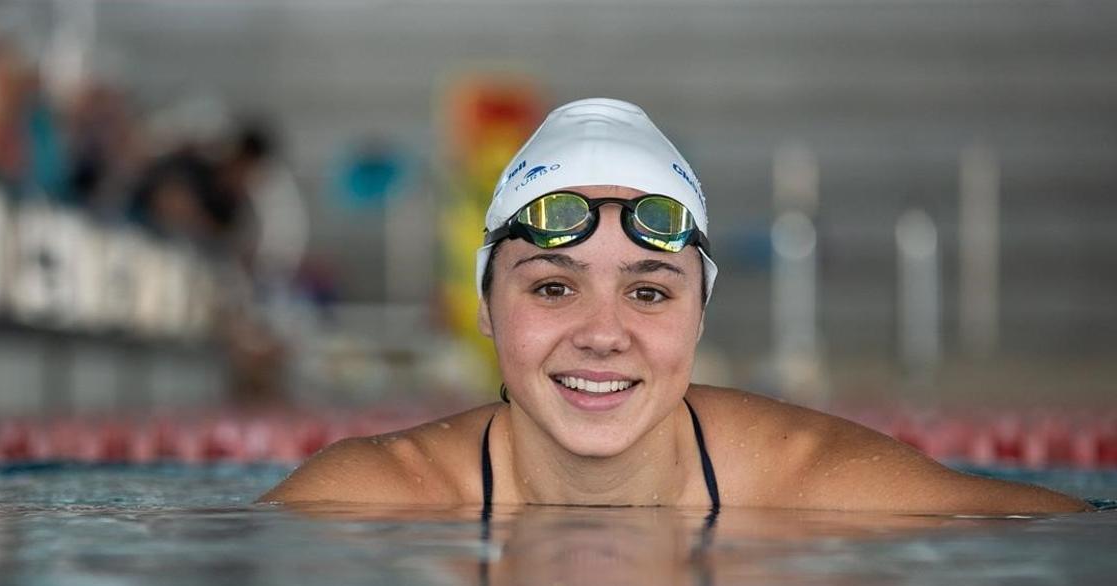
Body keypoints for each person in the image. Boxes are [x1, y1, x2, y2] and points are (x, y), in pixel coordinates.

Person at [260, 98, 1088, 513]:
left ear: (700, 314)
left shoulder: (822, 486)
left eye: (649, 291)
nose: (602, 333)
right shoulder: (363, 499)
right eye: (553, 285)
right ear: (484, 306)